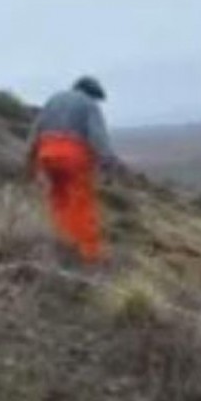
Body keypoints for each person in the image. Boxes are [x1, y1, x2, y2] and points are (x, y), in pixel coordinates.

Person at [28, 76, 121, 263]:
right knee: (81, 205)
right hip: (73, 158)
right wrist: (109, 162)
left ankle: (62, 246)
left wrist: (31, 163)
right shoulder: (89, 104)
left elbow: (35, 132)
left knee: (59, 202)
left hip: (46, 156)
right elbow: (97, 136)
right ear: (91, 93)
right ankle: (88, 255)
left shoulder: (53, 100)